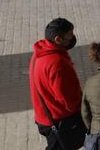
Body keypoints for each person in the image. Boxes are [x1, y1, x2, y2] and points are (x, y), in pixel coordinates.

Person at [29, 18, 85, 150]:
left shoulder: (40, 53)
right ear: (58, 39)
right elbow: (67, 99)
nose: (72, 38)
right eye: (69, 36)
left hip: (44, 115)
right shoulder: (57, 63)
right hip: (59, 120)